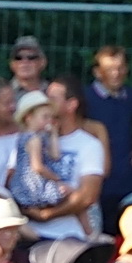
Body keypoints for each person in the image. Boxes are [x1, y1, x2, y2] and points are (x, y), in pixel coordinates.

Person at [15, 78, 104, 240]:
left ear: (71, 105)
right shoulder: (30, 138)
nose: (46, 101)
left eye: (53, 98)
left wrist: (47, 214)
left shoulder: (90, 145)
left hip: (68, 235)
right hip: (30, 231)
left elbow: (87, 196)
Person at [88, 46, 132, 232]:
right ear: (97, 72)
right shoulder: (87, 98)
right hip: (98, 179)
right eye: (110, 69)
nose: (116, 73)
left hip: (126, 177)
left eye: (120, 68)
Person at [7, 90, 68, 213]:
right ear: (29, 118)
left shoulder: (28, 136)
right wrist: (57, 179)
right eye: (45, 117)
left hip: (23, 186)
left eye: (51, 117)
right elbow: (37, 167)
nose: (49, 121)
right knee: (68, 192)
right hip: (33, 186)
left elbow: (55, 155)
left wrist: (54, 133)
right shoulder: (34, 139)